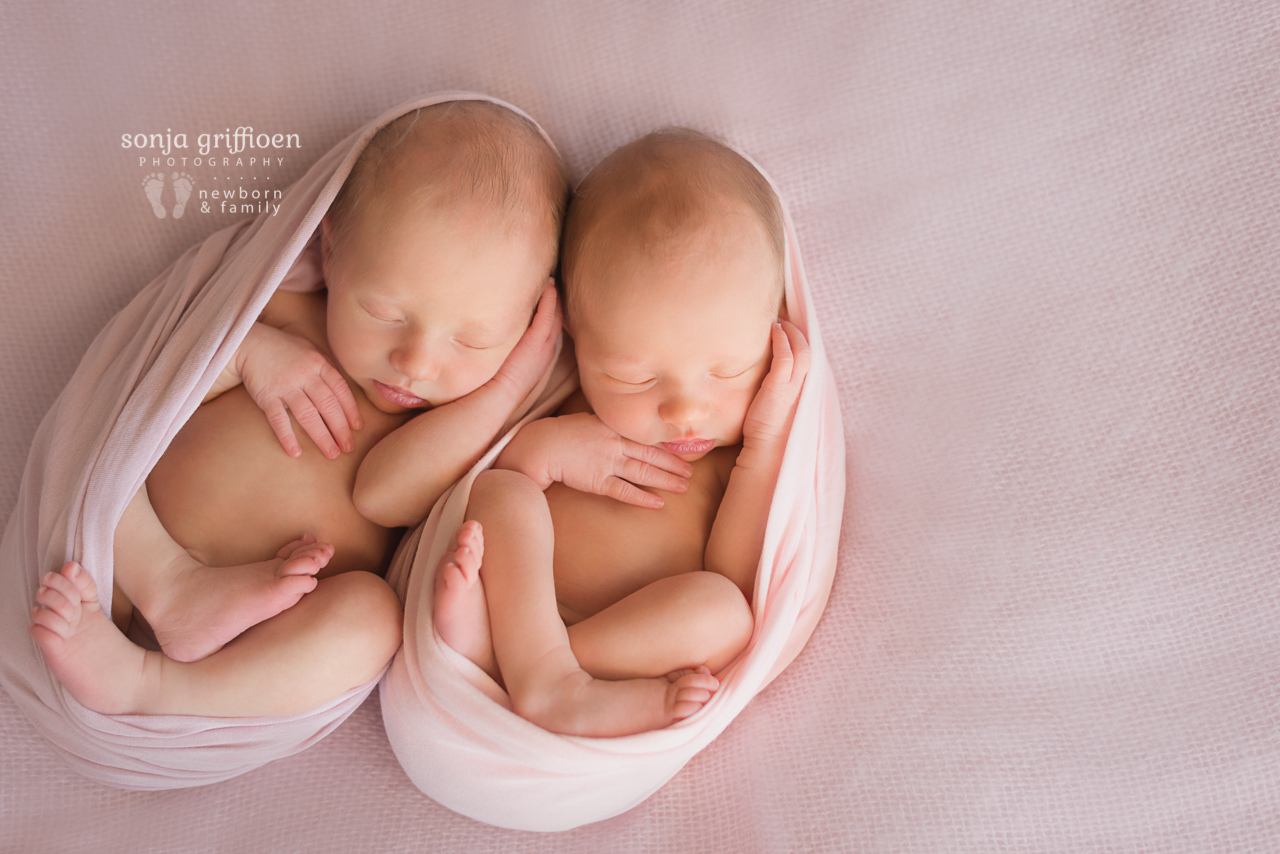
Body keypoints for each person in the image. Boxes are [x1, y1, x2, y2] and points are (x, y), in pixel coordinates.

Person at [29, 100, 569, 718]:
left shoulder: (454, 417)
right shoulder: (281, 314)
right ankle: (165, 583)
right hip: (124, 551)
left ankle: (153, 688)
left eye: (472, 341)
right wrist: (248, 357)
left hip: (265, 637)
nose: (415, 362)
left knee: (373, 620)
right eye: (384, 313)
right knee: (105, 429)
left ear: (528, 326)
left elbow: (384, 497)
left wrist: (504, 393)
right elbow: (152, 387)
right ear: (332, 252)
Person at [432, 129, 811, 736]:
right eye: (634, 378)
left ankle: (538, 669)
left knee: (726, 616)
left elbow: (739, 577)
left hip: (617, 650)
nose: (686, 410)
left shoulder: (732, 457)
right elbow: (459, 470)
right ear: (577, 341)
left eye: (728, 371)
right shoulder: (566, 406)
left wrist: (763, 448)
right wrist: (537, 452)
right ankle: (534, 667)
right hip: (516, 603)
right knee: (502, 492)